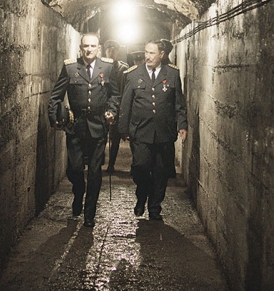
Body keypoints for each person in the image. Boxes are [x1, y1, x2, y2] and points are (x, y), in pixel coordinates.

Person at [48, 33, 120, 227]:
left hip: (98, 126)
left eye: (93, 46)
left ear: (99, 48)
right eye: (86, 46)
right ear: (80, 48)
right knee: (74, 168)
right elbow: (56, 96)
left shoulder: (108, 67)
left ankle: (90, 213)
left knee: (95, 172)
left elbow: (115, 94)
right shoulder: (70, 68)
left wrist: (112, 111)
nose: (89, 49)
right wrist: (54, 118)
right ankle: (78, 192)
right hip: (76, 125)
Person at [119, 39, 187, 220]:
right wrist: (123, 128)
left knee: (161, 171)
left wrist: (182, 125)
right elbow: (126, 103)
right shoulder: (134, 74)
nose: (147, 56)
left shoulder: (172, 73)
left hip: (164, 131)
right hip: (141, 131)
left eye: (152, 53)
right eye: (146, 52)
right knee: (140, 166)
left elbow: (179, 103)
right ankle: (142, 193)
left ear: (161, 55)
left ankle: (155, 207)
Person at [103, 40, 129, 172]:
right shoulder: (100, 67)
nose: (111, 53)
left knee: (115, 138)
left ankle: (111, 164)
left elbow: (124, 90)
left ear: (117, 52)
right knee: (101, 137)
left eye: (113, 50)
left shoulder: (123, 69)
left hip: (117, 107)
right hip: (102, 107)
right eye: (109, 50)